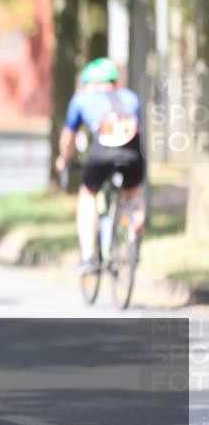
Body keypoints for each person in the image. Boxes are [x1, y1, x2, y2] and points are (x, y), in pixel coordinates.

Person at [55, 57, 145, 274]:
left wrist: (63, 160)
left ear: (90, 82)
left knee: (88, 195)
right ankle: (134, 234)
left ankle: (87, 256)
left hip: (102, 154)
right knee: (134, 196)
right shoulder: (131, 97)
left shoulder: (82, 99)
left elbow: (68, 139)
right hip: (133, 154)